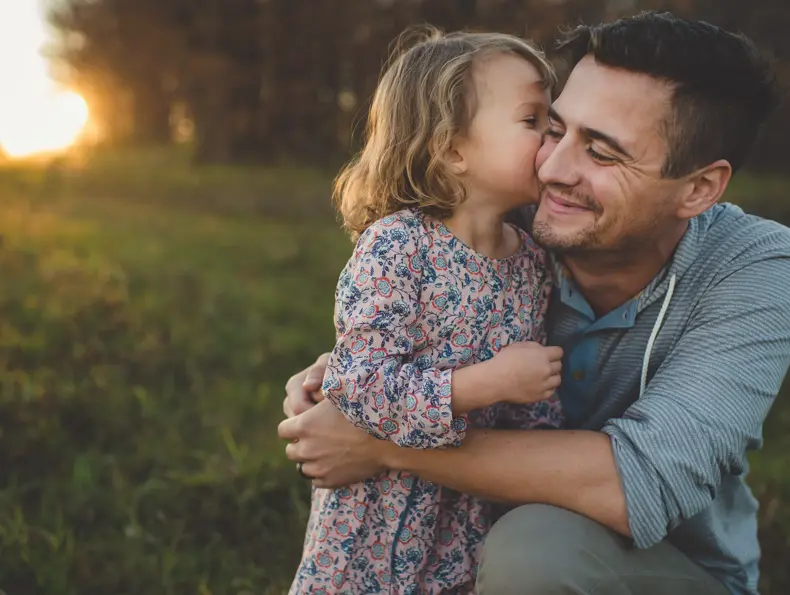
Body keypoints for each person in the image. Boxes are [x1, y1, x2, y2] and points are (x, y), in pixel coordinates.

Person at [280, 11, 790, 595]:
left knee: (535, 553)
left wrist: (379, 443)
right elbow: (409, 332)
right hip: (465, 541)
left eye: (601, 153)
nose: (552, 167)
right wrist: (341, 376)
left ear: (699, 188)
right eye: (552, 127)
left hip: (677, 569)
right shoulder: (505, 224)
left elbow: (637, 486)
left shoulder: (757, 268)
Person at [288, 28, 565, 594]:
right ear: (452, 148)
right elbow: (359, 384)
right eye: (532, 120)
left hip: (466, 511)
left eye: (550, 121)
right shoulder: (399, 246)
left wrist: (541, 435)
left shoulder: (533, 263)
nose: (553, 139)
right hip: (375, 518)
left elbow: (527, 407)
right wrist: (485, 384)